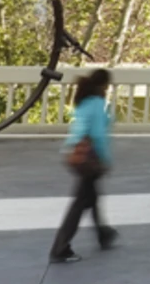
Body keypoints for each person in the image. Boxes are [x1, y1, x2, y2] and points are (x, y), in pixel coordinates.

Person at [49, 69, 119, 264]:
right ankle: (60, 248)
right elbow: (97, 135)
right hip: (88, 157)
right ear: (104, 85)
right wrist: (105, 160)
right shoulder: (97, 104)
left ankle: (104, 234)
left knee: (92, 197)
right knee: (79, 204)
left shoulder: (84, 101)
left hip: (74, 154)